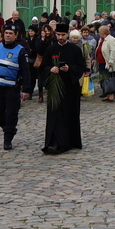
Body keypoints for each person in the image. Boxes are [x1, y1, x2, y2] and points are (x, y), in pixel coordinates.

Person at [0, 28, 32, 150]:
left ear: (16, 35)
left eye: (10, 34)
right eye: (6, 33)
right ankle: (7, 128)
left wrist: (27, 90)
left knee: (11, 114)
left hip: (12, 88)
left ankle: (8, 138)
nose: (8, 35)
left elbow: (26, 71)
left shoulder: (20, 51)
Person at [41, 23, 85, 155]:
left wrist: (69, 68)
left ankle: (68, 142)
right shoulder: (50, 49)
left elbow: (81, 66)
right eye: (58, 35)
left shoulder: (75, 49)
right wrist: (50, 69)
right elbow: (43, 66)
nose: (60, 37)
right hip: (54, 87)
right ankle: (53, 142)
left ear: (68, 34)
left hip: (70, 88)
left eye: (63, 35)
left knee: (68, 115)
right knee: (54, 115)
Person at [95, 25, 115, 102]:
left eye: (100, 32)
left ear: (104, 32)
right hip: (101, 62)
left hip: (108, 63)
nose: (99, 34)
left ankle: (111, 94)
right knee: (104, 78)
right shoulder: (101, 40)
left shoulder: (111, 39)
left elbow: (113, 51)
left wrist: (111, 61)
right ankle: (106, 93)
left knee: (110, 79)